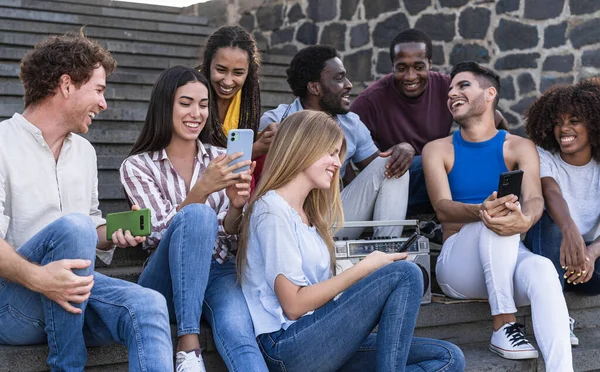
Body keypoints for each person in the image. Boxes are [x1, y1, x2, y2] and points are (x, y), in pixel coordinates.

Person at [238, 109, 465, 372]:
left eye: (339, 154)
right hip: (287, 346)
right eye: (331, 153)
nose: (337, 164)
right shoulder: (272, 210)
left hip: (320, 335)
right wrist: (365, 269)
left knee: (449, 357)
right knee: (406, 274)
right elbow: (294, 306)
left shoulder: (311, 215)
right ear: (303, 148)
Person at [0, 32, 173, 371]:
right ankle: (68, 365)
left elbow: (89, 228)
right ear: (66, 85)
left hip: (74, 292)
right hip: (14, 302)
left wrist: (114, 232)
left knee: (149, 304)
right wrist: (41, 279)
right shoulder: (3, 143)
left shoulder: (85, 152)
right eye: (98, 89)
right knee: (75, 226)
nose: (104, 103)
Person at [422, 61, 572, 369]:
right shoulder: (437, 149)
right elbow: (442, 207)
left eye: (462, 85)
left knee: (543, 269)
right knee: (495, 217)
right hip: (458, 267)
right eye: (449, 89)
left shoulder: (520, 146)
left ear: (489, 94)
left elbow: (533, 198)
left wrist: (526, 219)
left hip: (509, 258)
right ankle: (503, 324)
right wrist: (482, 210)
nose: (451, 93)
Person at [120, 66, 267, 372]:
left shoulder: (221, 157)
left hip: (218, 270)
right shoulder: (137, 166)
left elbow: (230, 236)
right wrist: (201, 191)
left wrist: (237, 207)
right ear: (166, 105)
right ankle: (188, 345)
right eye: (185, 103)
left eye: (203, 105)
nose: (196, 113)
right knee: (197, 214)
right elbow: (155, 234)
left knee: (240, 336)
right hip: (166, 278)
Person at [260, 45, 409, 239]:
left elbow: (379, 169)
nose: (348, 84)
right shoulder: (276, 122)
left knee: (393, 164)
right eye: (339, 78)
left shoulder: (351, 124)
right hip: (286, 221)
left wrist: (403, 149)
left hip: (330, 220)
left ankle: (388, 253)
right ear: (314, 87)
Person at [351, 29, 507, 213]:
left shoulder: (446, 87)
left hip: (440, 175)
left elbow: (493, 117)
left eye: (418, 67)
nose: (410, 76)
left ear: (430, 64)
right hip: (396, 182)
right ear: (393, 66)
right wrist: (397, 154)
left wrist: (506, 148)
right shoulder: (370, 101)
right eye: (402, 68)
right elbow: (357, 157)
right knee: (436, 159)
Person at [523, 81, 600, 346]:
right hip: (551, 250)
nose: (564, 129)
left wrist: (590, 253)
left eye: (575, 121)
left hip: (586, 264)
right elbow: (551, 192)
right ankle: (556, 316)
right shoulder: (544, 155)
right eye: (558, 122)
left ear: (593, 124)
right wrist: (570, 231)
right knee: (549, 222)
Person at [199, 25, 275, 179]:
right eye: (220, 70)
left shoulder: (247, 95)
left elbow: (231, 141)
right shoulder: (191, 88)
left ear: (249, 72)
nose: (228, 81)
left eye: (238, 73)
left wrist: (263, 137)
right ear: (208, 64)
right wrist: (254, 150)